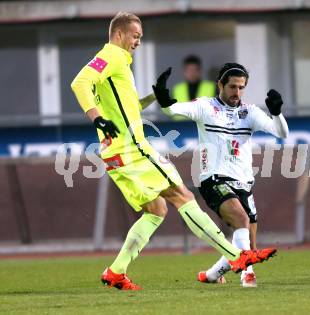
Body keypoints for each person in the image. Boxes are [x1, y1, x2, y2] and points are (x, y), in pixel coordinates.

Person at [70, 12, 276, 291]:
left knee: (156, 210)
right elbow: (79, 82)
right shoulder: (113, 56)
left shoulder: (118, 66)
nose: (138, 42)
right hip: (133, 148)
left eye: (140, 37)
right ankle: (237, 257)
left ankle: (116, 271)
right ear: (119, 34)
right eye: (135, 36)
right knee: (183, 196)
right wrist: (96, 117)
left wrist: (155, 95)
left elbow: (127, 109)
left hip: (113, 152)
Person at [153, 63, 289, 287]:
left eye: (241, 87)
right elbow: (172, 110)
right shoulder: (206, 107)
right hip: (213, 179)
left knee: (248, 248)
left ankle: (211, 275)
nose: (237, 93)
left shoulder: (250, 112)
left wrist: (276, 113)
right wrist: (163, 96)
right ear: (220, 85)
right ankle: (248, 276)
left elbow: (282, 132)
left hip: (244, 183)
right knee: (241, 220)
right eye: (233, 87)